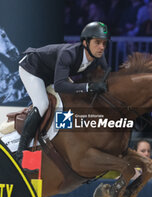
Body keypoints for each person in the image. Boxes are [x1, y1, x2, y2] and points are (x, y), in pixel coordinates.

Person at [16, 21, 110, 164]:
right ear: (85, 43)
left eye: (104, 43)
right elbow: (60, 86)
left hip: (53, 74)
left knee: (73, 101)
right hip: (32, 69)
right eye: (97, 42)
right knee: (42, 104)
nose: (102, 47)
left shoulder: (98, 55)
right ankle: (21, 151)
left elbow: (107, 72)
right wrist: (89, 87)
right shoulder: (69, 54)